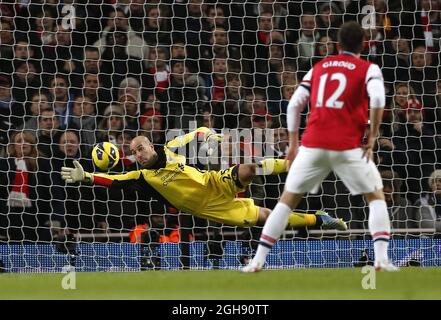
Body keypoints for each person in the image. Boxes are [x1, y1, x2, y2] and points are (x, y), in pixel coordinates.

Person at [242, 21, 399, 273]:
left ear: (337, 45)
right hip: (348, 146)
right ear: (363, 44)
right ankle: (381, 260)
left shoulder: (319, 67)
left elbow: (294, 104)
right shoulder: (368, 68)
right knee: (375, 197)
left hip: (312, 144)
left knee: (286, 202)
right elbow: (379, 98)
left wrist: (293, 144)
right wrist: (371, 135)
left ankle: (257, 261)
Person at [60, 127, 347, 232]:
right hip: (209, 208)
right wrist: (86, 177)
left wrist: (210, 136)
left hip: (214, 182)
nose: (138, 154)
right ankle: (318, 219)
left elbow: (198, 131)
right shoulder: (142, 175)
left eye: (141, 148)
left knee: (247, 169)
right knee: (268, 218)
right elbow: (114, 179)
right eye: (133, 152)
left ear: (150, 145)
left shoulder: (170, 148)